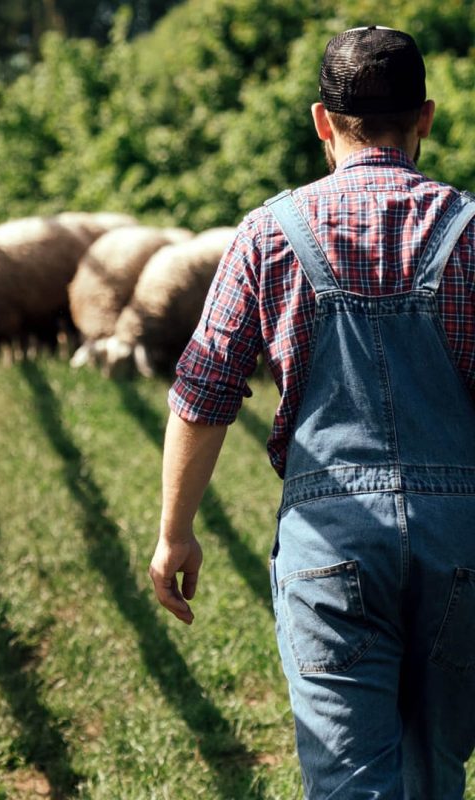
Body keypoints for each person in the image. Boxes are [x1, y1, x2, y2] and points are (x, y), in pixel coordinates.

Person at [148, 25, 475, 799]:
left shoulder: (269, 234)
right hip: (462, 542)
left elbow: (202, 394)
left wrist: (174, 534)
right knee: (437, 774)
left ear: (321, 122)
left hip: (330, 546)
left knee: (352, 786)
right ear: (425, 118)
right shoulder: (470, 232)